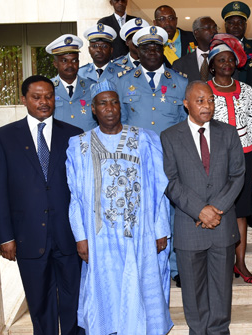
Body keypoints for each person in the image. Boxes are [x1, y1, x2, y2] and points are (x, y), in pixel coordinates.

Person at [66, 81, 172, 335]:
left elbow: (159, 187)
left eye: (114, 102)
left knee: (141, 289)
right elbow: (76, 195)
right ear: (94, 109)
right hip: (99, 236)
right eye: (103, 103)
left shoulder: (145, 139)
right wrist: (80, 236)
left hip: (140, 233)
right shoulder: (78, 145)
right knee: (106, 292)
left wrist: (161, 229)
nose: (110, 108)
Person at [0, 75, 84, 335]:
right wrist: (5, 237)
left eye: (49, 97)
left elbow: (83, 191)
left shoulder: (74, 136)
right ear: (23, 100)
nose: (44, 102)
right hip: (28, 236)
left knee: (74, 302)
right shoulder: (3, 137)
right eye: (37, 97)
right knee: (40, 304)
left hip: (69, 236)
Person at [161, 81, 245, 335]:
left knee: (221, 290)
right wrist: (200, 210)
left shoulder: (228, 133)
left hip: (222, 225)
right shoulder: (170, 136)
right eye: (200, 101)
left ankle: (219, 331)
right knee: (194, 293)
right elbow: (170, 180)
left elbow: (238, 174)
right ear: (186, 104)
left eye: (210, 100)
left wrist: (216, 208)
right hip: (190, 226)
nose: (207, 105)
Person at [116, 25, 189, 287]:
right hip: (138, 162)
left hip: (172, 161)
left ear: (163, 50)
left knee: (173, 214)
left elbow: (184, 123)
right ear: (138, 50)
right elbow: (120, 123)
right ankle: (144, 266)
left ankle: (175, 268)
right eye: (146, 47)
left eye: (157, 47)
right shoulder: (123, 81)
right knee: (142, 214)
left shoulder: (179, 82)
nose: (152, 52)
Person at [207, 33, 252, 285]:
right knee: (218, 208)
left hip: (244, 158)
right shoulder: (204, 89)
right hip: (214, 160)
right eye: (221, 60)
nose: (226, 64)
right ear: (212, 64)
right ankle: (221, 263)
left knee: (240, 212)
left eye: (230, 60)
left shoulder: (246, 89)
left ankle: (241, 263)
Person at [45, 34, 98, 131]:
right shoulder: (47, 88)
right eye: (64, 61)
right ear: (55, 64)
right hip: (60, 144)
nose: (70, 65)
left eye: (74, 60)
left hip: (87, 143)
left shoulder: (92, 87)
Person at [221, 1, 252, 81]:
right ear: (225, 26)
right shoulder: (217, 49)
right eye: (231, 23)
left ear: (245, 25)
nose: (236, 26)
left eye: (240, 22)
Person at [172, 16, 218, 82]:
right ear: (196, 32)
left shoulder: (224, 60)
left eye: (215, 28)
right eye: (208, 27)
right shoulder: (180, 64)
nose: (214, 31)